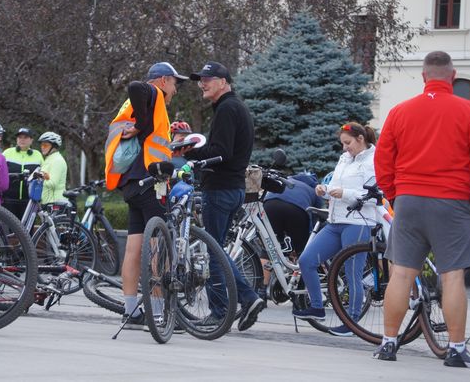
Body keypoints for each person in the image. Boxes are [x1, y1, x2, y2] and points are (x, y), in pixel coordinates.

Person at [373, 51, 470, 367]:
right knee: (452, 276)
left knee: (401, 273)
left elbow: (383, 158)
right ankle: (455, 349)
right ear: (452, 77)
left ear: (425, 76)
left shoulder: (401, 112)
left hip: (410, 200)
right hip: (453, 202)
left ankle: (388, 344)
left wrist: (395, 195)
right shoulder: (468, 112)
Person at [181, 61, 265, 331]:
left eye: (208, 79)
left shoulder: (228, 108)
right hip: (232, 188)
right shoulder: (232, 107)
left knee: (213, 251)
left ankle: (227, 307)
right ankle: (242, 299)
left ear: (223, 82)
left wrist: (189, 152)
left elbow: (221, 152)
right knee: (217, 249)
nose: (202, 84)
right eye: (200, 80)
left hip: (220, 189)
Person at [104, 62, 186, 329]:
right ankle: (159, 312)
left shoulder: (127, 108)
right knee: (157, 247)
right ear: (162, 81)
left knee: (133, 248)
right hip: (150, 182)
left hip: (130, 185)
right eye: (175, 83)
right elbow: (136, 86)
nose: (175, 89)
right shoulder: (153, 95)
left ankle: (131, 313)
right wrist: (142, 124)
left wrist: (140, 124)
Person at [293, 122, 376, 337]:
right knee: (307, 260)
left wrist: (344, 193)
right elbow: (338, 186)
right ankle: (317, 307)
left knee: (352, 273)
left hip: (358, 223)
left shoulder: (373, 161)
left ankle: (352, 322)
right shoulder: (345, 158)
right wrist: (325, 190)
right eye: (342, 144)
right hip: (336, 221)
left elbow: (375, 194)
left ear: (360, 139)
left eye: (347, 143)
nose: (344, 148)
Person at [261, 171, 322, 297]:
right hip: (297, 209)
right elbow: (317, 220)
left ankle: (261, 291)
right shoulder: (315, 189)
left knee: (268, 248)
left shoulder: (288, 179)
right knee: (303, 252)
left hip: (270, 204)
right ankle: (301, 292)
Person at [3, 127, 44, 217]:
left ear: (31, 140)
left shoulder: (37, 155)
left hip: (29, 200)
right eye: (20, 137)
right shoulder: (7, 153)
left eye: (25, 137)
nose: (22, 140)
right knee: (8, 228)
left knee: (27, 229)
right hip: (9, 199)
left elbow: (42, 175)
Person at [37, 131, 67, 205]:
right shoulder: (50, 159)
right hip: (48, 202)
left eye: (46, 145)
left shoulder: (57, 160)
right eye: (42, 145)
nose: (42, 148)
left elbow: (53, 183)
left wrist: (38, 179)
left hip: (55, 202)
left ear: (54, 147)